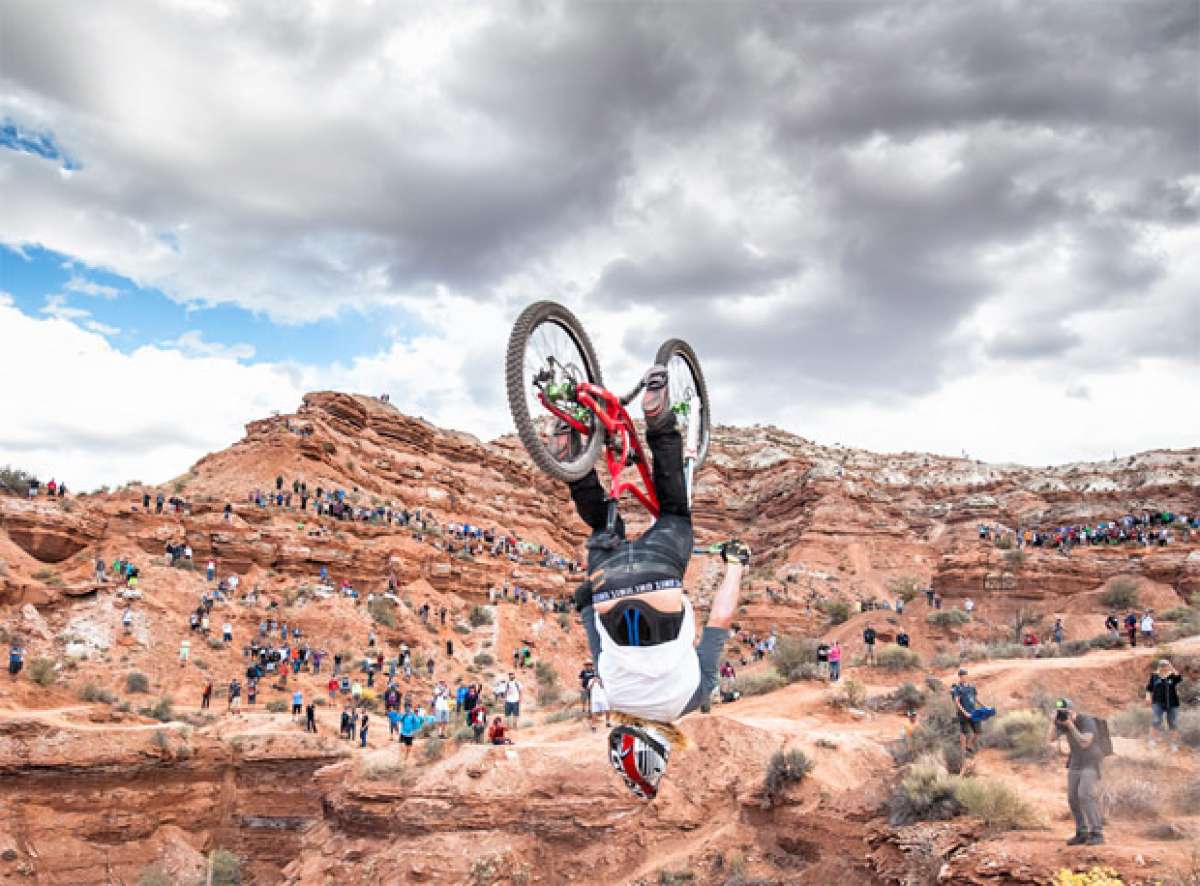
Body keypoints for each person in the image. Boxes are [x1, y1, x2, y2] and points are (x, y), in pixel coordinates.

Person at [563, 366, 746, 799]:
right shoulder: (611, 692)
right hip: (607, 580)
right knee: (599, 521)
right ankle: (570, 455)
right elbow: (593, 627)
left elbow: (720, 619)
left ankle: (659, 418)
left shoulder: (692, 700)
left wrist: (735, 565)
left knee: (675, 514)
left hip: (661, 575)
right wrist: (587, 597)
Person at [1047, 698, 1104, 845]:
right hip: (1075, 763)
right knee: (1072, 798)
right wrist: (1053, 722)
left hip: (1090, 762)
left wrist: (1070, 725)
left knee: (1085, 795)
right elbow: (1051, 738)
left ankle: (1097, 833)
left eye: (1065, 712)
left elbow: (1085, 742)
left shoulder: (1087, 721)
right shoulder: (1063, 722)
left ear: (1073, 711)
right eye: (1061, 712)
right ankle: (1082, 832)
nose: (1063, 715)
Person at [1146, 659, 1183, 750]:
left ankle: (1174, 744)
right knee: (1156, 721)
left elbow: (1179, 678)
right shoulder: (1154, 676)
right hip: (1158, 702)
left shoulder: (1172, 676)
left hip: (1172, 703)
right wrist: (1147, 697)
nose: (1164, 667)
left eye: (1165, 665)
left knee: (1173, 723)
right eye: (1162, 665)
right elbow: (1149, 688)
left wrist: (1171, 668)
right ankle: (1152, 740)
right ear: (1159, 666)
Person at [950, 669, 981, 757]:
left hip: (973, 712)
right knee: (964, 732)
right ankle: (963, 751)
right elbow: (957, 702)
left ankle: (969, 745)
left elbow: (976, 698)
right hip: (963, 713)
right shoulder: (957, 688)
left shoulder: (971, 687)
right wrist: (964, 712)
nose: (965, 677)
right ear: (960, 677)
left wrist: (984, 706)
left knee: (977, 732)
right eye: (963, 676)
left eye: (966, 675)